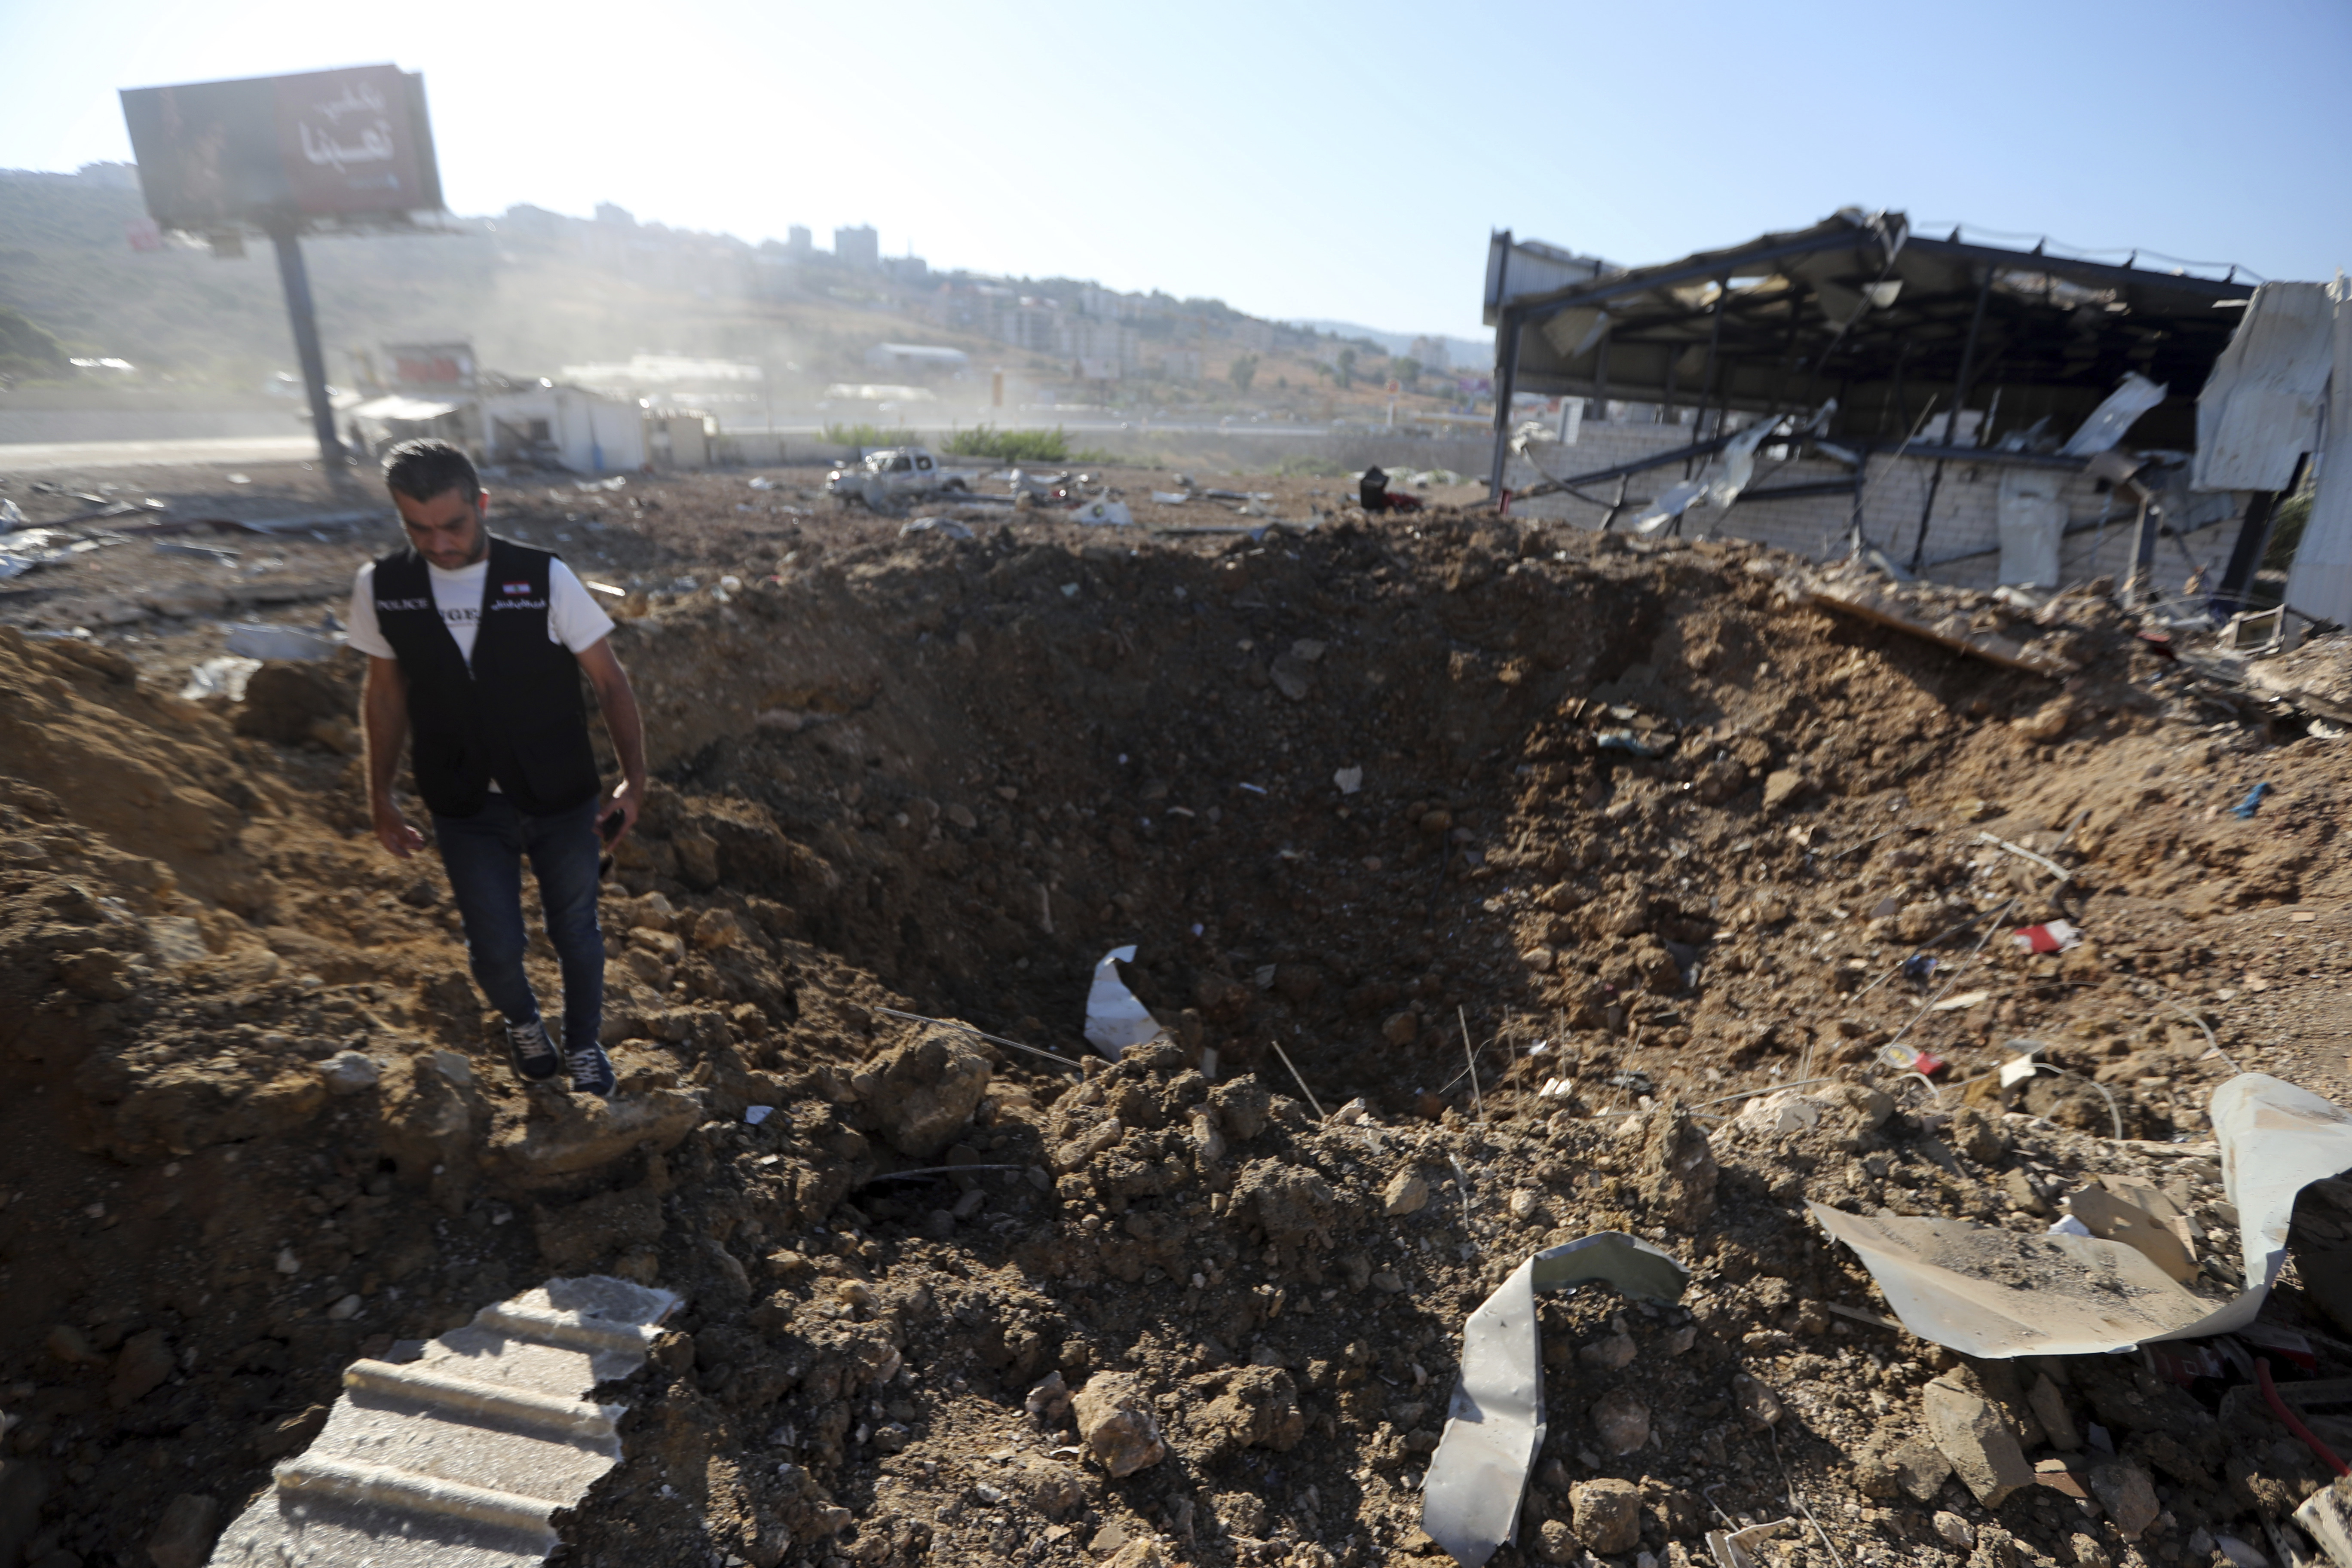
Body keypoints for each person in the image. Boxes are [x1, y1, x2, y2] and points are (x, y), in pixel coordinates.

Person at [346, 439, 645, 1096]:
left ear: (481, 504)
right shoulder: (384, 588)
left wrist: (634, 780)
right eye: (419, 529)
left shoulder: (543, 577)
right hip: (464, 803)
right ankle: (522, 1022)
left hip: (559, 794)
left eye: (453, 525)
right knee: (495, 950)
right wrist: (380, 797)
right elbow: (385, 695)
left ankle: (584, 1043)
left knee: (576, 930)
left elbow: (610, 682)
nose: (441, 544)